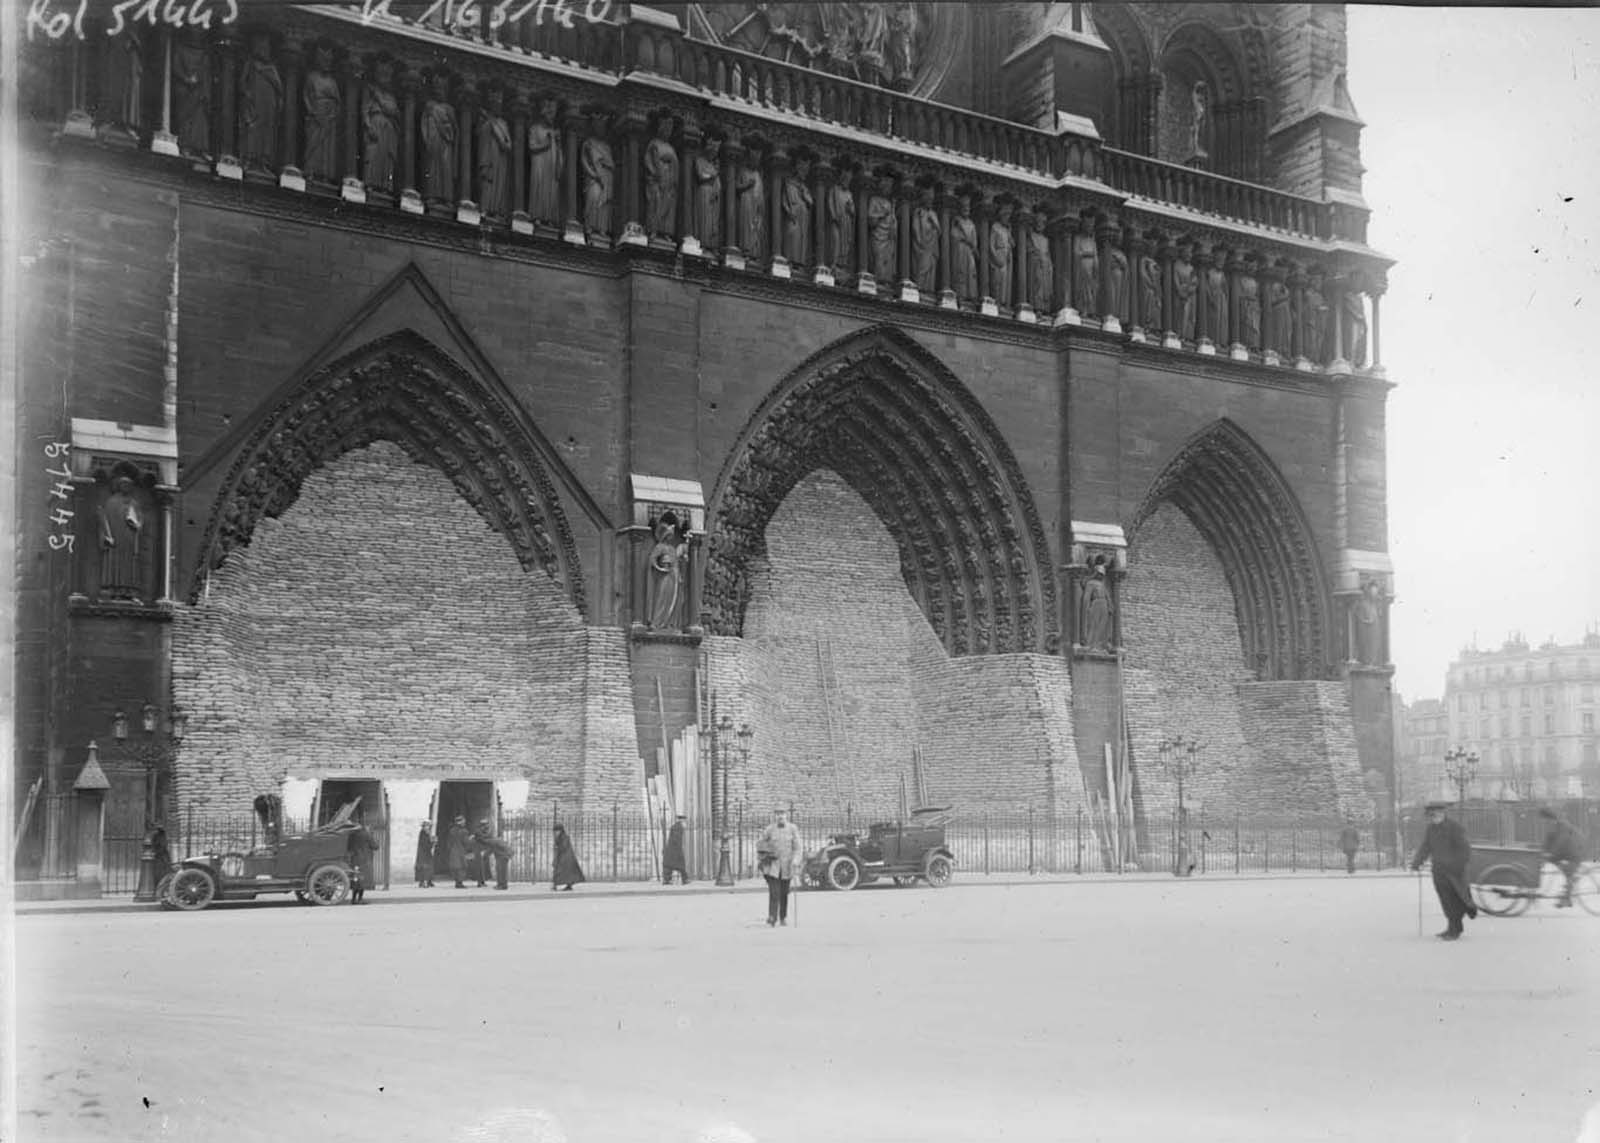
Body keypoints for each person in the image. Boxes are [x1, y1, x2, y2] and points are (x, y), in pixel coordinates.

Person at [1410, 801, 1477, 940]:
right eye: (1430, 816)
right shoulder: (1431, 829)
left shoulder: (1454, 828)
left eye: (1434, 815)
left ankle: (1455, 929)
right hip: (1439, 870)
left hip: (1454, 871)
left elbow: (1465, 850)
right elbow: (1426, 847)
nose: (1432, 818)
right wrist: (1417, 862)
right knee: (1445, 901)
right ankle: (1452, 927)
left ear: (1442, 813)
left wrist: (1457, 865)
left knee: (1455, 900)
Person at [756, 806, 803, 927]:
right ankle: (772, 917)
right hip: (773, 867)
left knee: (784, 893)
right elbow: (760, 844)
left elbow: (798, 848)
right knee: (774, 892)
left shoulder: (793, 829)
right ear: (774, 815)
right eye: (777, 813)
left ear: (786, 814)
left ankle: (783, 917)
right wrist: (765, 854)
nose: (780, 816)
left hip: (787, 867)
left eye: (782, 813)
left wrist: (796, 861)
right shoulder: (769, 829)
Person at [1538, 807, 1585, 908]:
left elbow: (1560, 841)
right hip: (1565, 853)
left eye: (1545, 820)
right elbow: (1548, 840)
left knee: (1568, 872)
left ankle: (1566, 897)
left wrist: (1551, 853)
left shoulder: (1563, 825)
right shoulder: (1553, 826)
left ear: (1550, 818)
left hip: (1574, 852)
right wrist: (1542, 852)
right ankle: (1568, 891)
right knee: (1560, 866)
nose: (1544, 822)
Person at [473, 819, 513, 891]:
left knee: (501, 870)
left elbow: (490, 849)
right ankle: (501, 885)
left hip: (502, 856)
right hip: (502, 855)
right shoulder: (493, 838)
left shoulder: (491, 841)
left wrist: (484, 856)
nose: (486, 826)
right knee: (500, 870)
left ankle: (502, 885)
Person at [347, 817, 378, 904]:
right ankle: (360, 899)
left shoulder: (352, 835)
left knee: (356, 879)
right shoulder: (366, 834)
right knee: (362, 881)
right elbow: (375, 846)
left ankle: (353, 899)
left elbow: (349, 848)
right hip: (364, 860)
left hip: (354, 860)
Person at [551, 822, 586, 891]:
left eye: (557, 831)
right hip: (563, 857)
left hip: (566, 858)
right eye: (555, 831)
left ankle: (563, 885)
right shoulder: (559, 837)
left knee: (561, 872)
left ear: (561, 831)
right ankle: (558, 885)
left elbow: (563, 847)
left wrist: (557, 846)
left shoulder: (564, 837)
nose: (556, 832)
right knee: (561, 872)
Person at [445, 814, 473, 889]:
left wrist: (449, 850)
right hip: (460, 851)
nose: (464, 822)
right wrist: (471, 839)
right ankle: (460, 883)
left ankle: (457, 882)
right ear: (460, 822)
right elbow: (466, 842)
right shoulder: (464, 831)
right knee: (462, 867)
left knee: (455, 867)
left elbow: (449, 842)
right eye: (463, 821)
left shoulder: (452, 830)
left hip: (453, 851)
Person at [663, 815, 690, 885]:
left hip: (672, 849)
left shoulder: (676, 826)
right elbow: (676, 839)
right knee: (680, 865)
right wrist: (679, 848)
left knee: (669, 865)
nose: (686, 823)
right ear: (682, 820)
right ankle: (685, 879)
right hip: (675, 850)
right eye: (685, 821)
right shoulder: (679, 827)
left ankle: (667, 880)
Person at [414, 821, 435, 888]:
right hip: (424, 854)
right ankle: (423, 882)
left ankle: (427, 881)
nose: (428, 827)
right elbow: (426, 845)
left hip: (425, 853)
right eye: (427, 826)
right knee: (424, 868)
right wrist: (433, 842)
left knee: (427, 867)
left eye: (428, 826)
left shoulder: (425, 833)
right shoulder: (423, 834)